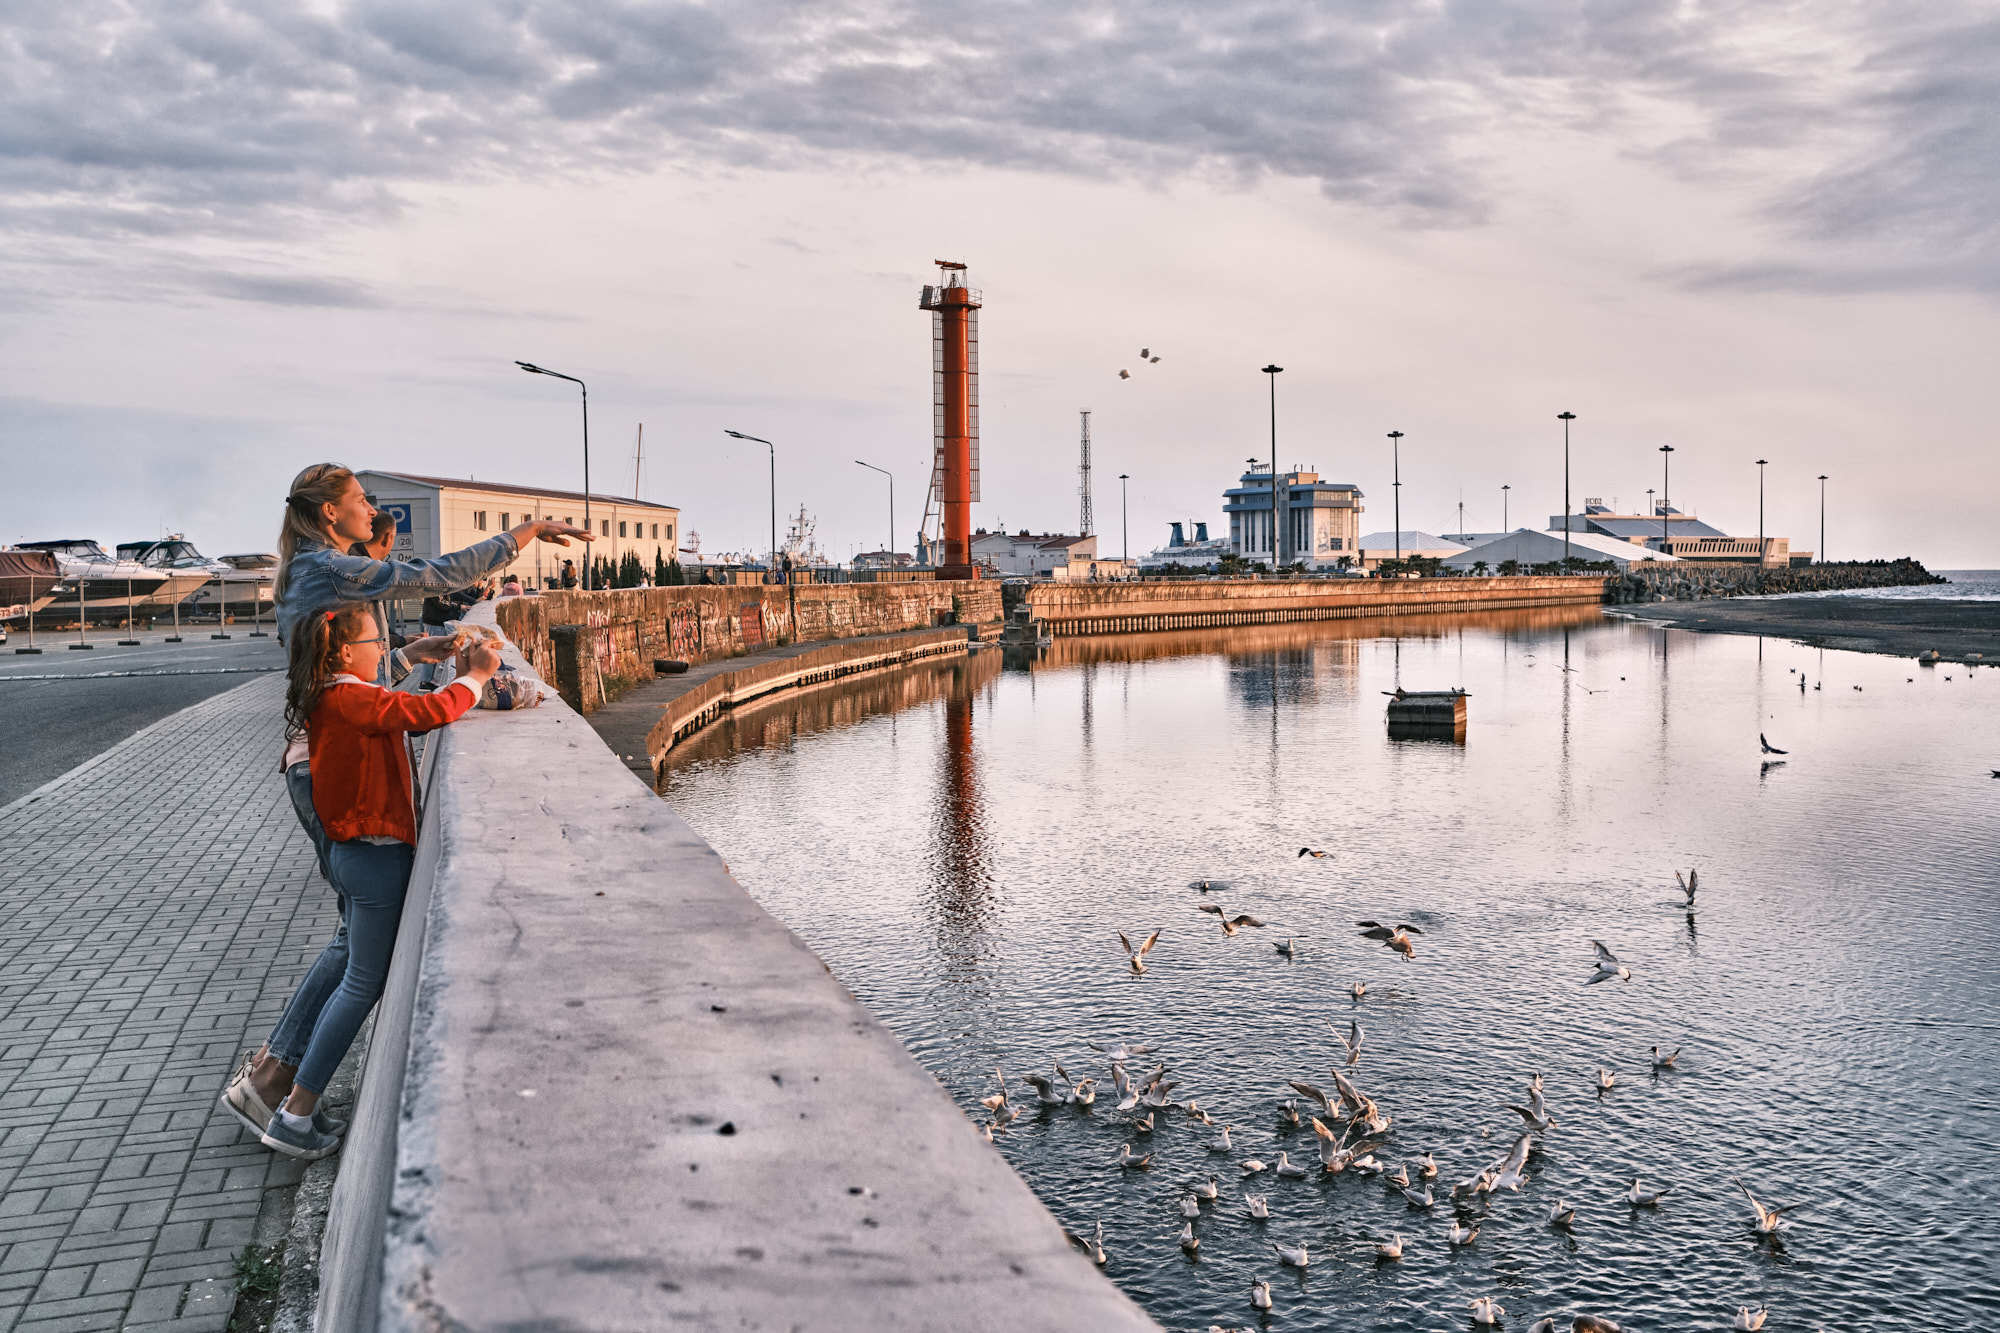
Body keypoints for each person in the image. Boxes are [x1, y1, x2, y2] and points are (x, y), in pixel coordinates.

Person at [223, 464, 589, 1129]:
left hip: (314, 755)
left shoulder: (312, 571)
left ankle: (274, 1075)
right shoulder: (327, 568)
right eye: (360, 501)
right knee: (357, 951)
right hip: (326, 769)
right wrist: (525, 533)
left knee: (350, 940)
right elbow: (430, 578)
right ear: (330, 512)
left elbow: (346, 669)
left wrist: (412, 654)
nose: (372, 510)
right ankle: (282, 1086)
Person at [255, 603, 500, 1159]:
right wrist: (477, 676)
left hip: (353, 853)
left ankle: (297, 1104)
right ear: (346, 653)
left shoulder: (334, 695)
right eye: (375, 643)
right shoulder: (351, 699)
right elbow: (429, 710)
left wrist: (414, 656)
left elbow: (399, 706)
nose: (382, 651)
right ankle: (295, 1114)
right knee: (361, 984)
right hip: (374, 856)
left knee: (356, 978)